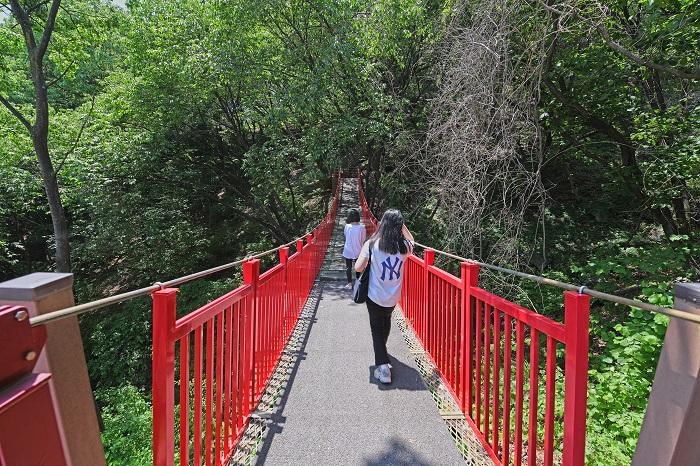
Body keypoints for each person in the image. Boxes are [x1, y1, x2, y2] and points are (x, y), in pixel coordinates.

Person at [355, 209, 414, 384]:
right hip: (393, 298)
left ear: (383, 224)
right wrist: (402, 225)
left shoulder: (373, 243)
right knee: (386, 320)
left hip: (374, 295)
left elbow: (358, 267)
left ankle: (383, 369)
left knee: (375, 329)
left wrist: (368, 263)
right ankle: (383, 350)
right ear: (398, 226)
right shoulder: (404, 247)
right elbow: (412, 240)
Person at [342, 208, 366, 289]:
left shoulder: (347, 226)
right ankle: (358, 282)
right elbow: (363, 239)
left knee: (348, 267)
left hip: (348, 250)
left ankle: (349, 283)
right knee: (358, 267)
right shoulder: (362, 227)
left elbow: (346, 236)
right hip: (358, 250)